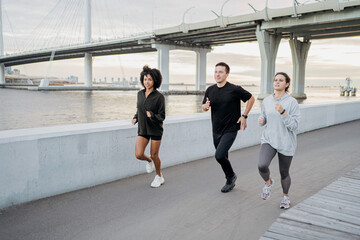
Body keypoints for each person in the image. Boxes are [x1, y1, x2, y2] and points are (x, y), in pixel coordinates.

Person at [202, 62, 255, 193]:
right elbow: (204, 106)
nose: (217, 74)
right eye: (215, 72)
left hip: (231, 128)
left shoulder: (234, 89)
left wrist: (244, 116)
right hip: (216, 129)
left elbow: (251, 98)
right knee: (223, 156)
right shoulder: (210, 90)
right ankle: (229, 179)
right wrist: (204, 107)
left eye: (220, 72)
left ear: (227, 74)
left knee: (219, 156)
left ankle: (231, 176)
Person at [258, 72, 301, 209]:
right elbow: (264, 117)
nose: (277, 82)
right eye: (275, 80)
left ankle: (285, 197)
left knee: (284, 173)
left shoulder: (292, 102)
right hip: (269, 139)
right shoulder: (267, 100)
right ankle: (268, 182)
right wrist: (262, 120)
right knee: (262, 165)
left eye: (281, 80)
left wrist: (283, 112)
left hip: (286, 142)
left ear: (287, 84)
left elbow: (294, 126)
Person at [132, 65, 166, 188]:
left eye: (150, 79)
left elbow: (162, 116)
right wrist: (135, 117)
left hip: (155, 129)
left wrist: (152, 115)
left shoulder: (159, 97)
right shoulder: (140, 94)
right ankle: (149, 161)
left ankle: (159, 176)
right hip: (143, 129)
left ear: (155, 81)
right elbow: (139, 109)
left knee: (154, 154)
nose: (147, 82)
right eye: (145, 79)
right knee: (139, 154)